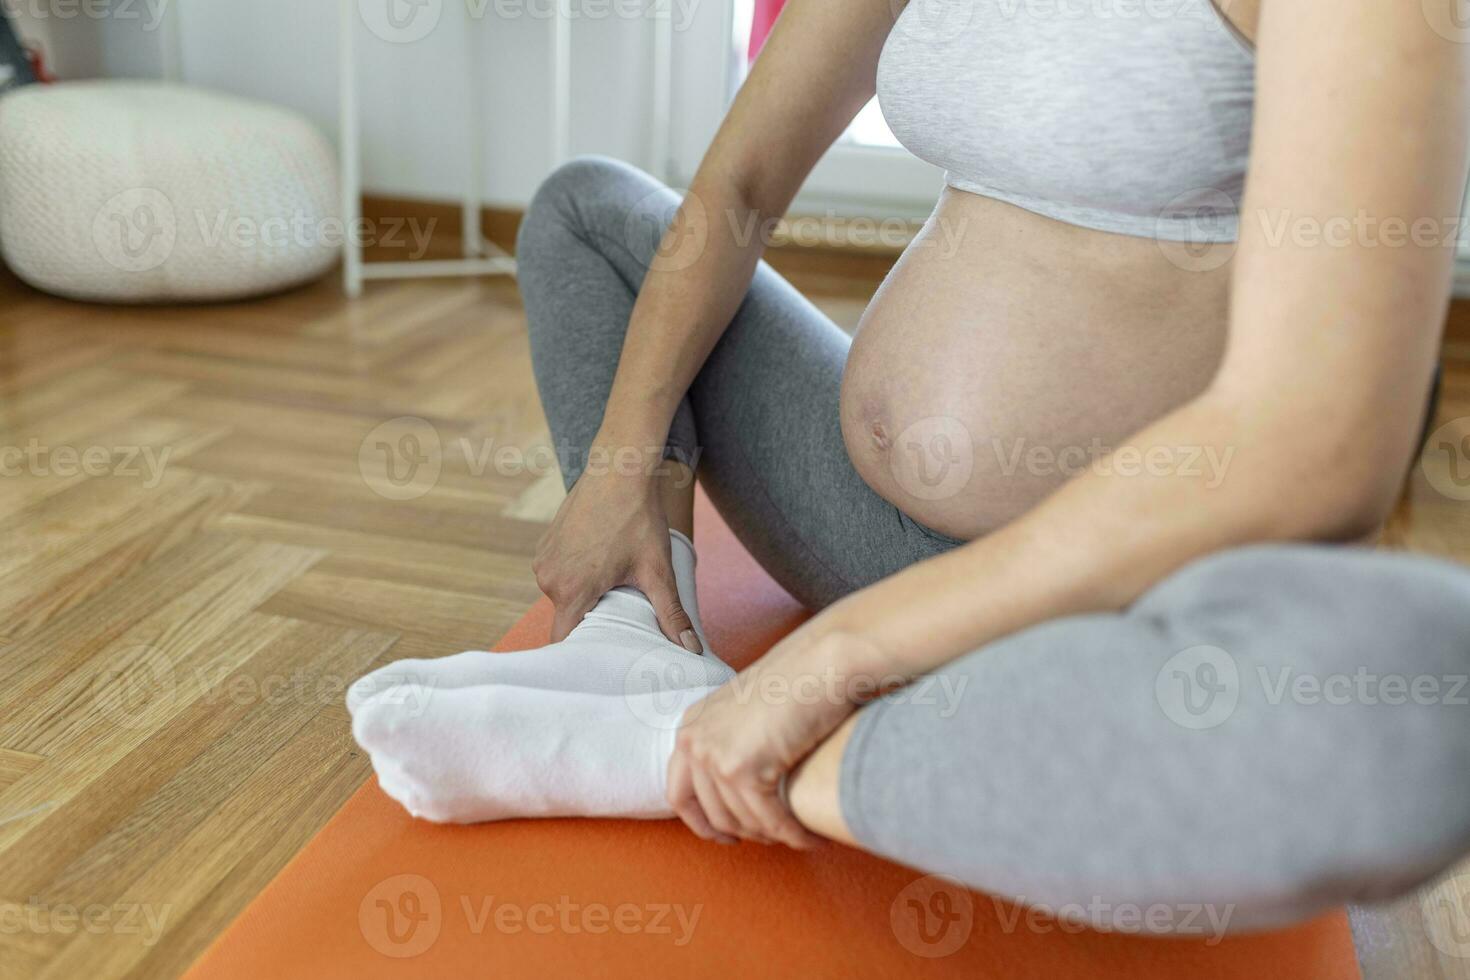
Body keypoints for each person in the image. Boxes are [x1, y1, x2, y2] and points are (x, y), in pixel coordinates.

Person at [349, 0, 1470, 934]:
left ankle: (670, 752)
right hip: (864, 528)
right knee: (589, 215)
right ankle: (641, 649)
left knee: (1423, 697)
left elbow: (1322, 441)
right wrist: (619, 467)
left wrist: (832, 656)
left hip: (1118, 607)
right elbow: (736, 190)